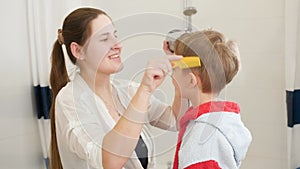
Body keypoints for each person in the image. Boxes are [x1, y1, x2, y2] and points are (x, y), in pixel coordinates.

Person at [49, 7, 184, 169]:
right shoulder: (69, 100)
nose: (118, 45)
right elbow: (109, 160)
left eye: (115, 36)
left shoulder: (126, 91)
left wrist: (179, 74)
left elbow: (175, 121)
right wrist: (145, 90)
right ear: (78, 51)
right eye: (105, 39)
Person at [170, 29, 252, 169]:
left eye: (174, 69)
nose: (170, 74)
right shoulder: (222, 119)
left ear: (191, 81)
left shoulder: (201, 143)